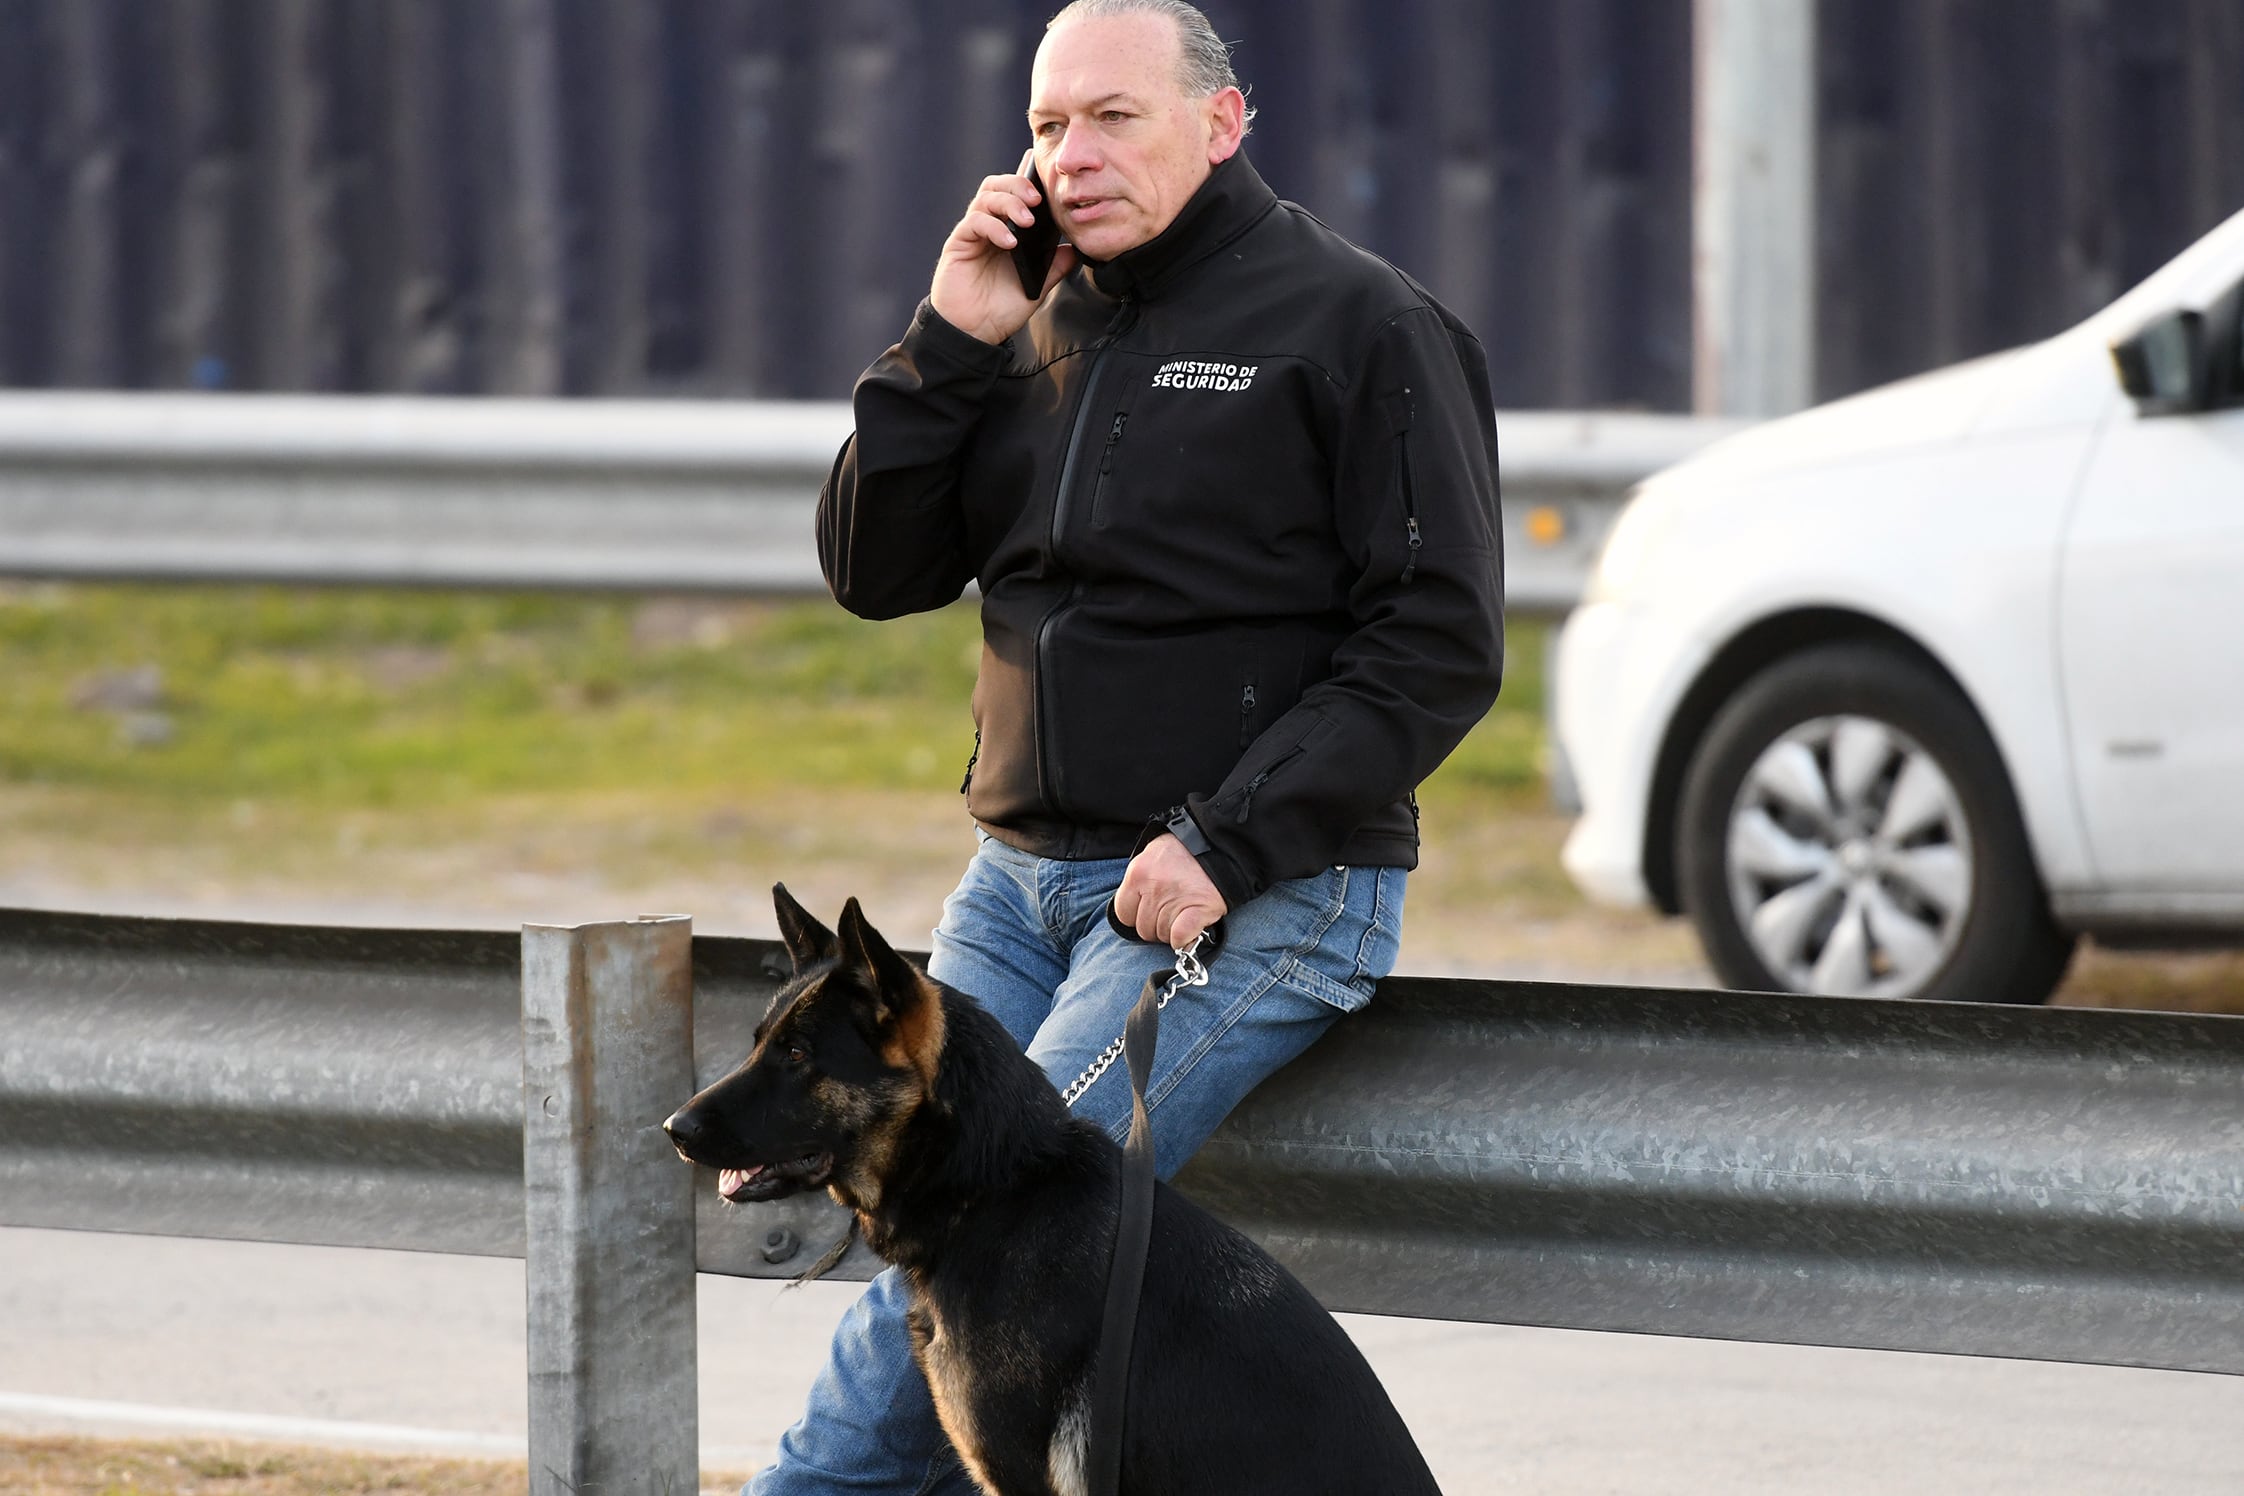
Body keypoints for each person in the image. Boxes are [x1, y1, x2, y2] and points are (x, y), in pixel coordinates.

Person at [777, 1, 1502, 1490]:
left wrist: (1224, 844)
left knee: (970, 1231)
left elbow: (1437, 642)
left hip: (1249, 885)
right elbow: (873, 569)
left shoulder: (1361, 323)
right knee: (947, 1267)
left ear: (1223, 123)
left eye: (1114, 116)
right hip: (1017, 883)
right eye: (1047, 126)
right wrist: (946, 342)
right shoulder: (1027, 314)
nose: (1072, 154)